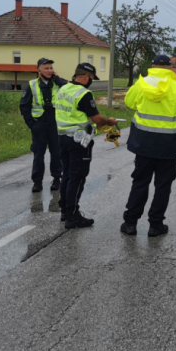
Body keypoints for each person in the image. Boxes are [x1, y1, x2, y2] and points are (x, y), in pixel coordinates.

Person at [120, 54, 176, 237]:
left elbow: (129, 103)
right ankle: (156, 225)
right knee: (163, 186)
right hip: (168, 145)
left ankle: (130, 223)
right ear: (170, 68)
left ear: (152, 66)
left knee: (140, 182)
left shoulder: (141, 84)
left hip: (143, 143)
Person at [55, 62, 118, 229]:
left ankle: (64, 211)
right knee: (77, 177)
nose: (91, 81)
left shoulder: (63, 89)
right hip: (78, 140)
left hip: (62, 137)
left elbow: (74, 113)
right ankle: (73, 216)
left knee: (67, 175)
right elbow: (97, 118)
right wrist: (110, 121)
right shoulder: (84, 93)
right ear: (86, 77)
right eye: (91, 78)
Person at [19, 58, 68, 193]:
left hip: (55, 122)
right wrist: (31, 124)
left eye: (51, 68)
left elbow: (70, 89)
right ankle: (37, 182)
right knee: (38, 153)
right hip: (39, 123)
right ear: (39, 70)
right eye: (46, 68)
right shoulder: (32, 84)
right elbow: (24, 105)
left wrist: (57, 78)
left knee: (56, 152)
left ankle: (57, 179)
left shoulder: (58, 83)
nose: (49, 70)